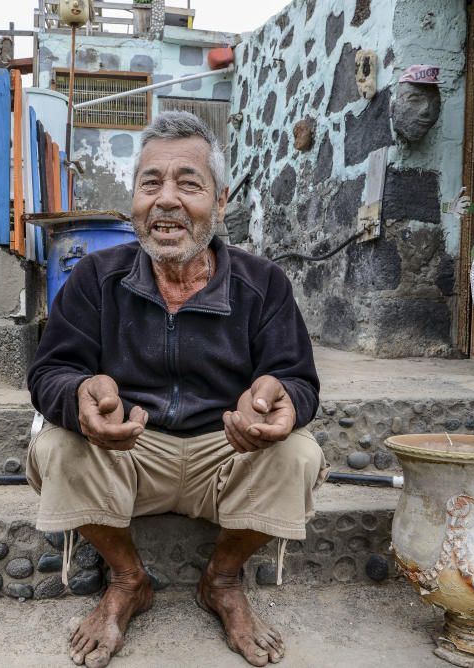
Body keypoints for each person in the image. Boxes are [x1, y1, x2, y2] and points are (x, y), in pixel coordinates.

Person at [26, 111, 327, 668]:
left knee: (300, 452)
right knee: (56, 444)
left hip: (226, 452)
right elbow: (50, 373)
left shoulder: (264, 284)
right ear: (134, 198)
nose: (166, 200)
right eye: (150, 184)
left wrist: (277, 400)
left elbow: (298, 380)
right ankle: (127, 578)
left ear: (221, 199)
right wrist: (82, 395)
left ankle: (223, 579)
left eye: (188, 184)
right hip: (131, 453)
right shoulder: (95, 277)